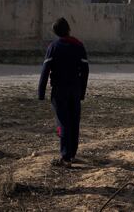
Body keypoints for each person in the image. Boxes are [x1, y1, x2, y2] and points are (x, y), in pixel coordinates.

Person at [38, 18, 90, 167]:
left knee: (63, 122)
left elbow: (45, 71)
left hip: (59, 90)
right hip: (74, 89)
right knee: (74, 121)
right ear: (68, 29)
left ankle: (65, 156)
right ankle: (72, 154)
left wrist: (41, 92)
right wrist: (82, 91)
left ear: (55, 32)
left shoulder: (54, 47)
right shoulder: (78, 46)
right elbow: (85, 70)